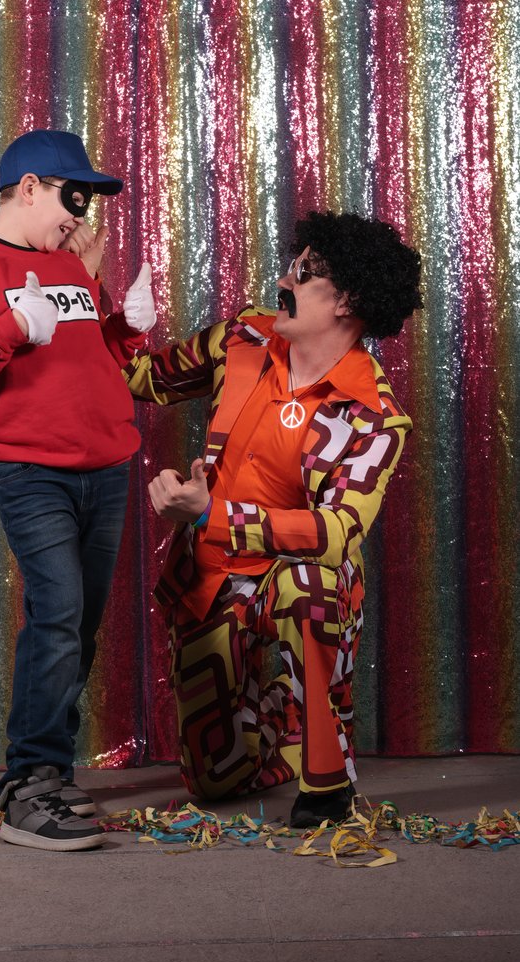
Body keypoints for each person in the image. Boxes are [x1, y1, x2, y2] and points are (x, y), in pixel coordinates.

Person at [121, 210, 422, 827]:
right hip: (212, 579)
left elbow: (337, 533)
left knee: (310, 583)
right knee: (215, 782)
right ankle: (283, 716)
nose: (284, 280)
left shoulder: (374, 415)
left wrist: (212, 512)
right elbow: (142, 379)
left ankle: (327, 782)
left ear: (347, 301)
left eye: (304, 274)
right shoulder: (243, 338)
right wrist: (119, 323)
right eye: (291, 266)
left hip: (296, 577)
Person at [0, 130, 156, 851]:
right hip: (32, 469)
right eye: (73, 197)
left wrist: (125, 326)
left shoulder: (70, 264)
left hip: (106, 465)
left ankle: (50, 769)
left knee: (78, 624)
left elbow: (90, 354)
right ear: (28, 188)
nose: (80, 215)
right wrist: (13, 324)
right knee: (57, 614)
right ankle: (28, 781)